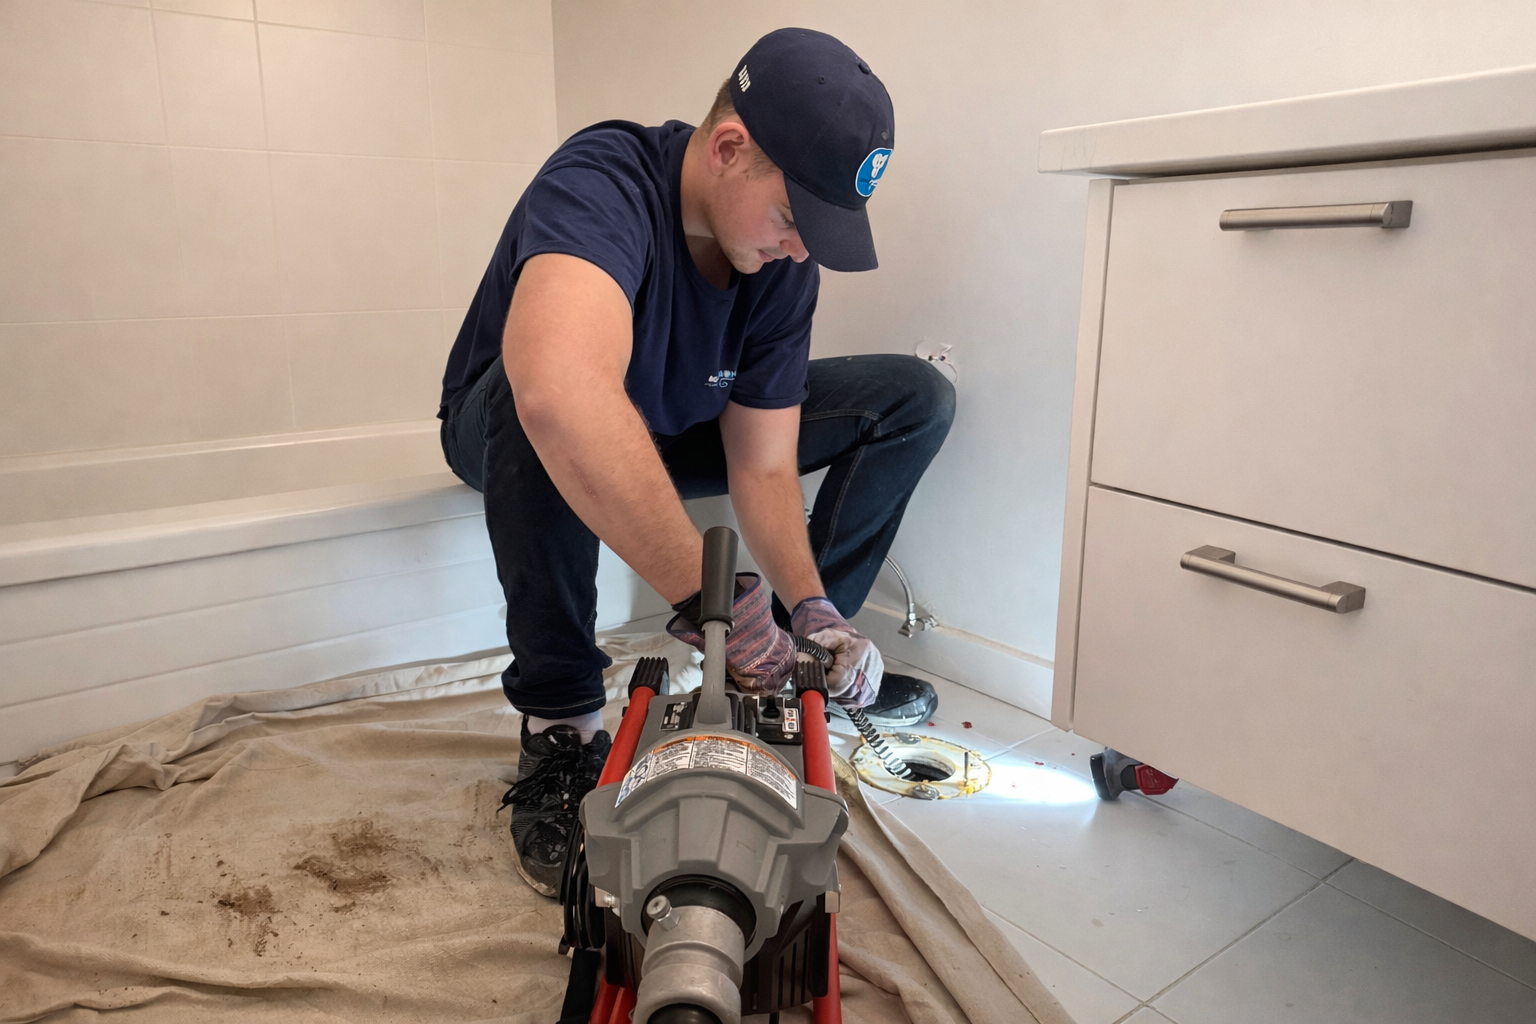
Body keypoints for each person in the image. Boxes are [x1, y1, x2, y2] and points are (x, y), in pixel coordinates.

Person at [438, 28, 954, 896]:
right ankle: (561, 725)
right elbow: (558, 396)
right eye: (793, 218)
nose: (802, 248)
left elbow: (762, 465)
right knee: (549, 393)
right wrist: (709, 599)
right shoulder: (604, 180)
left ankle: (803, 667)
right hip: (502, 428)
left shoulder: (780, 267)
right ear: (728, 149)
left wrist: (809, 606)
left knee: (913, 397)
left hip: (669, 424)